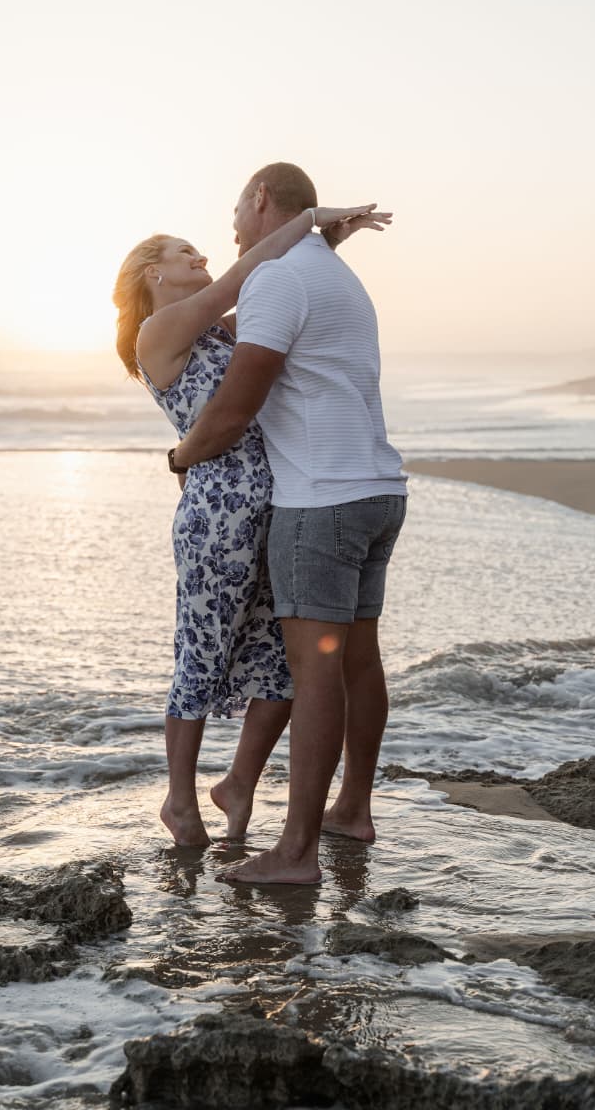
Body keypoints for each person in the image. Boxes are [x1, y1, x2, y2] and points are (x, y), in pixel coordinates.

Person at [112, 201, 380, 847]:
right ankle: (179, 801)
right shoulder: (160, 331)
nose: (201, 257)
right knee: (199, 658)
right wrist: (310, 217)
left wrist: (325, 248)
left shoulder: (216, 333)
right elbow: (245, 274)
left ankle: (238, 783)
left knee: (287, 668)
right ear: (152, 272)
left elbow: (273, 293)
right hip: (215, 517)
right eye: (184, 252)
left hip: (280, 508)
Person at [170, 162, 404, 883]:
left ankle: (295, 852)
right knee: (357, 661)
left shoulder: (276, 280)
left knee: (315, 672)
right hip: (376, 489)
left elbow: (236, 407)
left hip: (319, 504)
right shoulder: (332, 277)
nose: (232, 226)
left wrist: (181, 455)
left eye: (236, 209)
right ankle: (350, 810)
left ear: (262, 200)